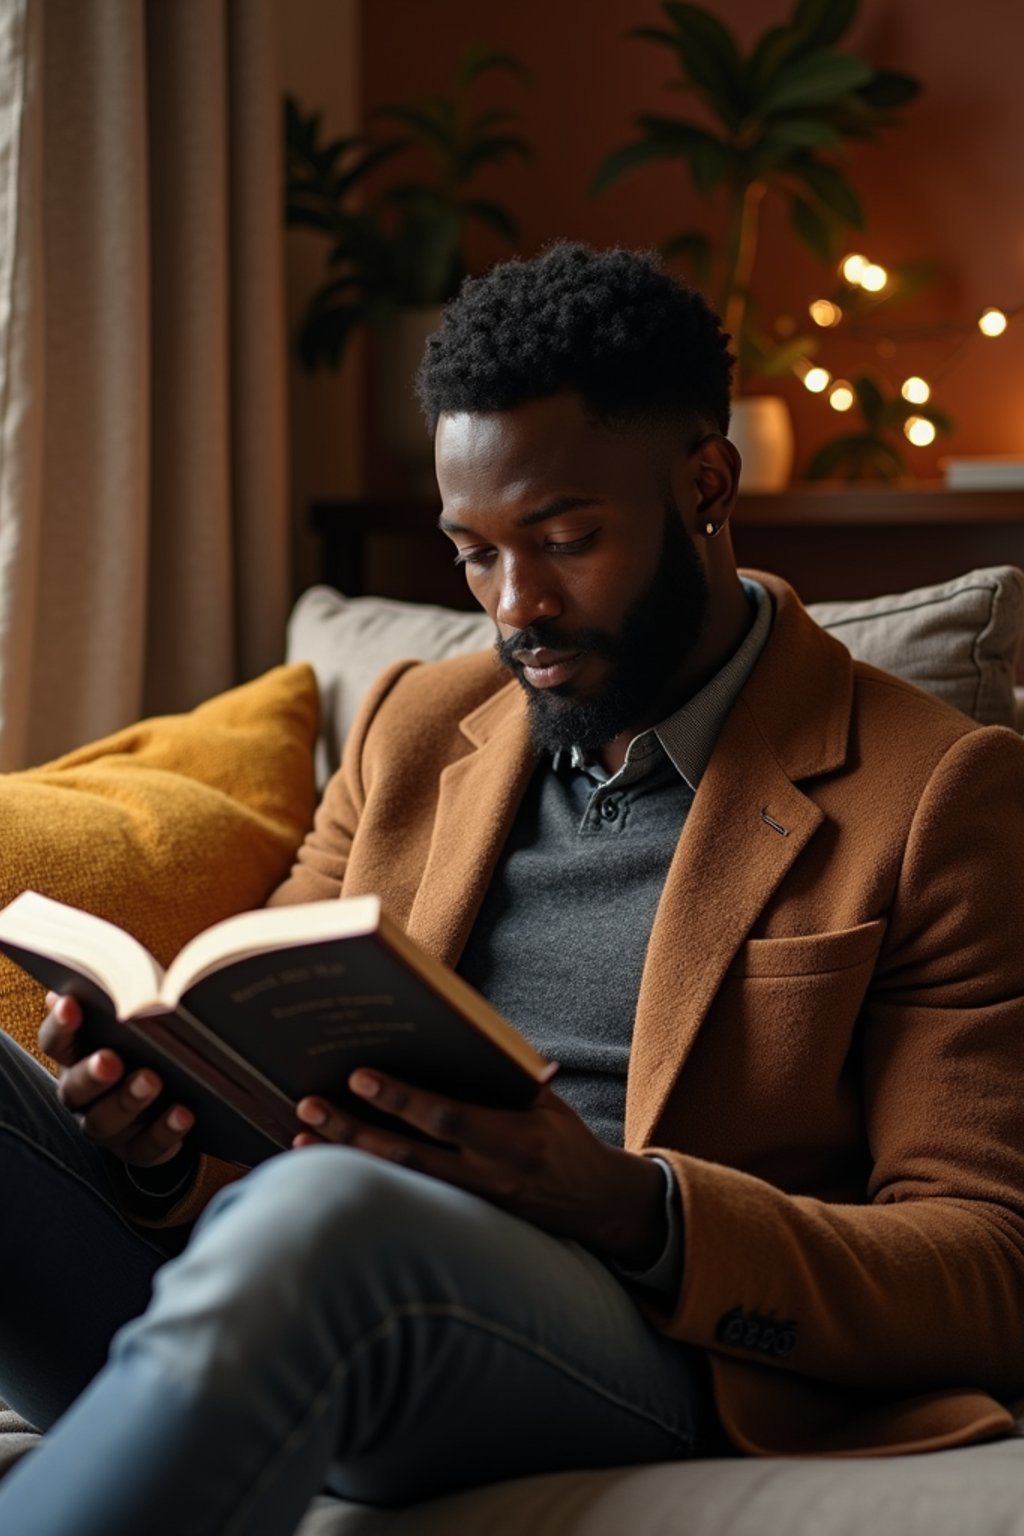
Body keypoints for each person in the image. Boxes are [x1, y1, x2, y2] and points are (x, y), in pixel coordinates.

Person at [2, 242, 1024, 1535]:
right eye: (473, 554)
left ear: (707, 485)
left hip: (630, 1336)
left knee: (327, 1214)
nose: (516, 607)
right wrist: (158, 1142)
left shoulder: (939, 793)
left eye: (566, 540)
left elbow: (991, 1263)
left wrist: (624, 1202)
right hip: (296, 1274)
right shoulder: (418, 724)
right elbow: (263, 1063)